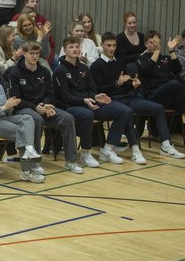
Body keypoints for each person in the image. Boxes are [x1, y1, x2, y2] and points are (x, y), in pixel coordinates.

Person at [91, 32, 184, 159]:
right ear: (102, 45)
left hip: (126, 97)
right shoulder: (96, 65)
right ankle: (135, 149)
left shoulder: (120, 62)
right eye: (108, 45)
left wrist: (133, 84)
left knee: (158, 108)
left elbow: (125, 87)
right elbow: (98, 90)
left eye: (114, 45)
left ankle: (166, 145)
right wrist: (116, 84)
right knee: (127, 111)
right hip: (110, 100)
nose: (112, 48)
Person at [54, 36, 145, 166]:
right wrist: (85, 100)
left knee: (125, 111)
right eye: (71, 47)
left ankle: (107, 149)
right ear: (65, 50)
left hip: (89, 102)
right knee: (88, 115)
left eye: (77, 46)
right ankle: (85, 153)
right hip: (70, 106)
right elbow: (65, 97)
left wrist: (96, 97)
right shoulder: (60, 70)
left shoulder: (84, 68)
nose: (75, 49)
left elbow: (92, 89)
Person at [8, 41, 84, 174]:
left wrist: (46, 104)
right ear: (24, 54)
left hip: (43, 107)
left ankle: (71, 161)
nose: (35, 56)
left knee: (67, 118)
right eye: (31, 53)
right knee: (36, 119)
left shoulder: (44, 71)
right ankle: (34, 163)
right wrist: (35, 107)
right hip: (24, 109)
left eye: (37, 54)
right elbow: (16, 99)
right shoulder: (15, 73)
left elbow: (50, 93)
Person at [0, 61, 44, 182]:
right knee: (21, 131)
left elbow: (6, 112)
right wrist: (5, 107)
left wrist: (10, 105)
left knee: (28, 118)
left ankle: (29, 150)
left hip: (3, 118)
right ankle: (27, 171)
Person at [137, 30, 185, 114]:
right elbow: (147, 71)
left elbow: (178, 69)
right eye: (151, 43)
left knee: (176, 88)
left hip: (169, 94)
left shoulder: (165, 58)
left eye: (157, 43)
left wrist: (171, 50)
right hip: (153, 95)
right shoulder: (141, 59)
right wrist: (157, 51)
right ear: (145, 44)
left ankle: (178, 122)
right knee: (174, 84)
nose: (154, 45)